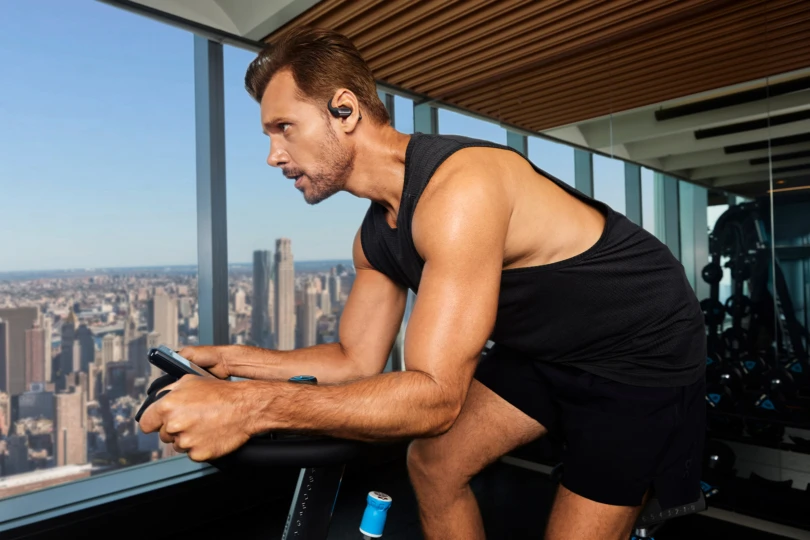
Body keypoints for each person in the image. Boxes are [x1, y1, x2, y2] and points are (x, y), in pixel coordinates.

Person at [138, 26, 706, 540]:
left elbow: (434, 398)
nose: (272, 155)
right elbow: (354, 358)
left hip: (638, 354)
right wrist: (232, 361)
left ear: (344, 110)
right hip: (544, 349)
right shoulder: (374, 237)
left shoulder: (461, 188)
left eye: (284, 127)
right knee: (433, 464)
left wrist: (249, 406)